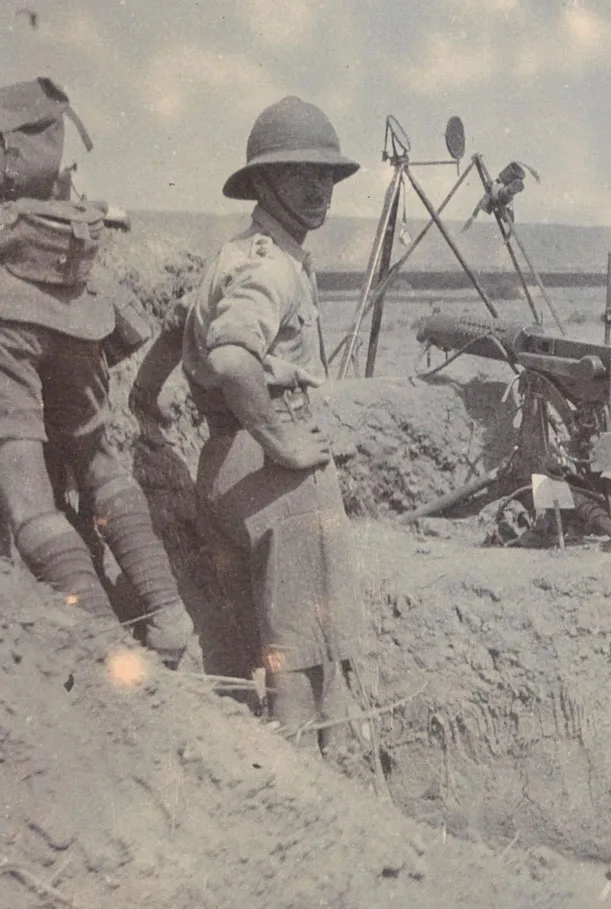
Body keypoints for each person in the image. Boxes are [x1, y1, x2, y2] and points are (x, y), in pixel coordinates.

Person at [0, 9, 198, 665]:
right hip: (62, 297)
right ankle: (170, 618)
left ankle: (111, 659)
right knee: (97, 461)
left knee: (29, 501)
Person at [171, 97, 365, 747]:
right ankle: (318, 799)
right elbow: (230, 356)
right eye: (297, 174)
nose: (318, 190)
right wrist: (281, 441)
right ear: (260, 182)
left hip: (229, 463)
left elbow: (182, 343)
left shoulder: (241, 254)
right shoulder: (271, 266)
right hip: (270, 474)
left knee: (274, 646)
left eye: (326, 176)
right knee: (303, 659)